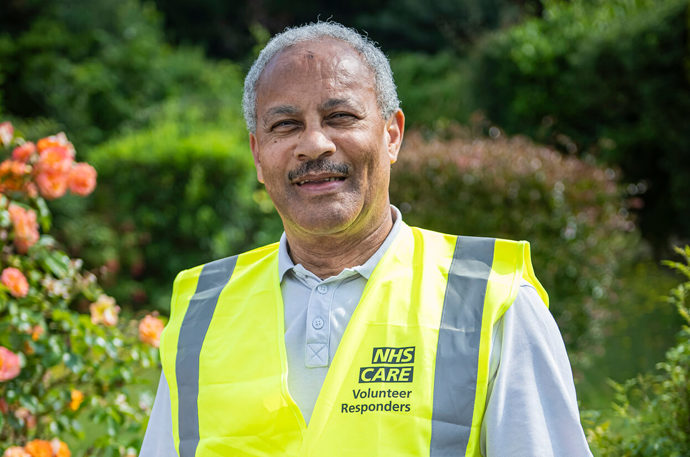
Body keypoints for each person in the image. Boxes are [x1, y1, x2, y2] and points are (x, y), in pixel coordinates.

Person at [140, 21, 593, 457]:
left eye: (340, 116)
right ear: (259, 156)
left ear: (391, 134)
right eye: (285, 125)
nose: (314, 144)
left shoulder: (491, 300)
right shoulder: (203, 311)